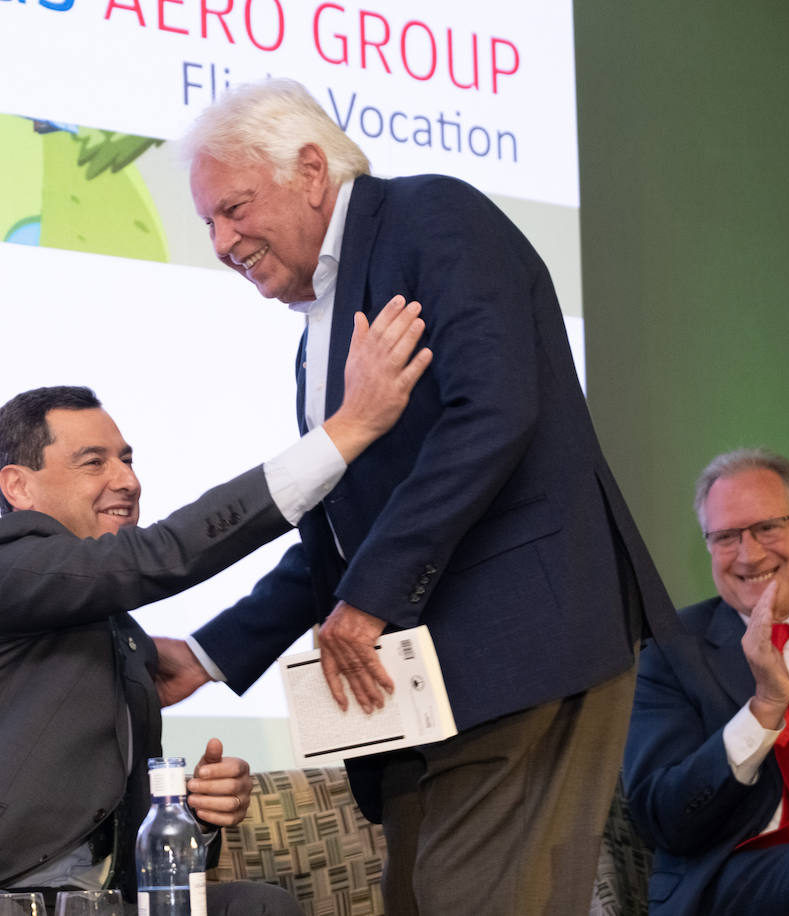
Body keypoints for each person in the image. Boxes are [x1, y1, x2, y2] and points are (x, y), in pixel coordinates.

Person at [162, 78, 679, 915]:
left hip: (519, 649)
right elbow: (342, 528)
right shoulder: (317, 332)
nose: (221, 241)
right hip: (421, 694)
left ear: (307, 169)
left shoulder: (431, 217)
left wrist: (366, 601)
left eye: (232, 209)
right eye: (208, 224)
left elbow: (494, 410)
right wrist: (214, 654)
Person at [0, 299, 432, 916]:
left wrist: (194, 813)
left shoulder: (119, 639)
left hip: (94, 902)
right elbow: (158, 555)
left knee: (258, 905)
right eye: (92, 462)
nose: (126, 480)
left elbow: (138, 851)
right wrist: (346, 432)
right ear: (18, 486)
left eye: (127, 458)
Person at [623, 449, 789, 916]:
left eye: (766, 528)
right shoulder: (669, 652)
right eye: (726, 537)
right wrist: (763, 708)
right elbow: (662, 818)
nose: (749, 553)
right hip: (737, 879)